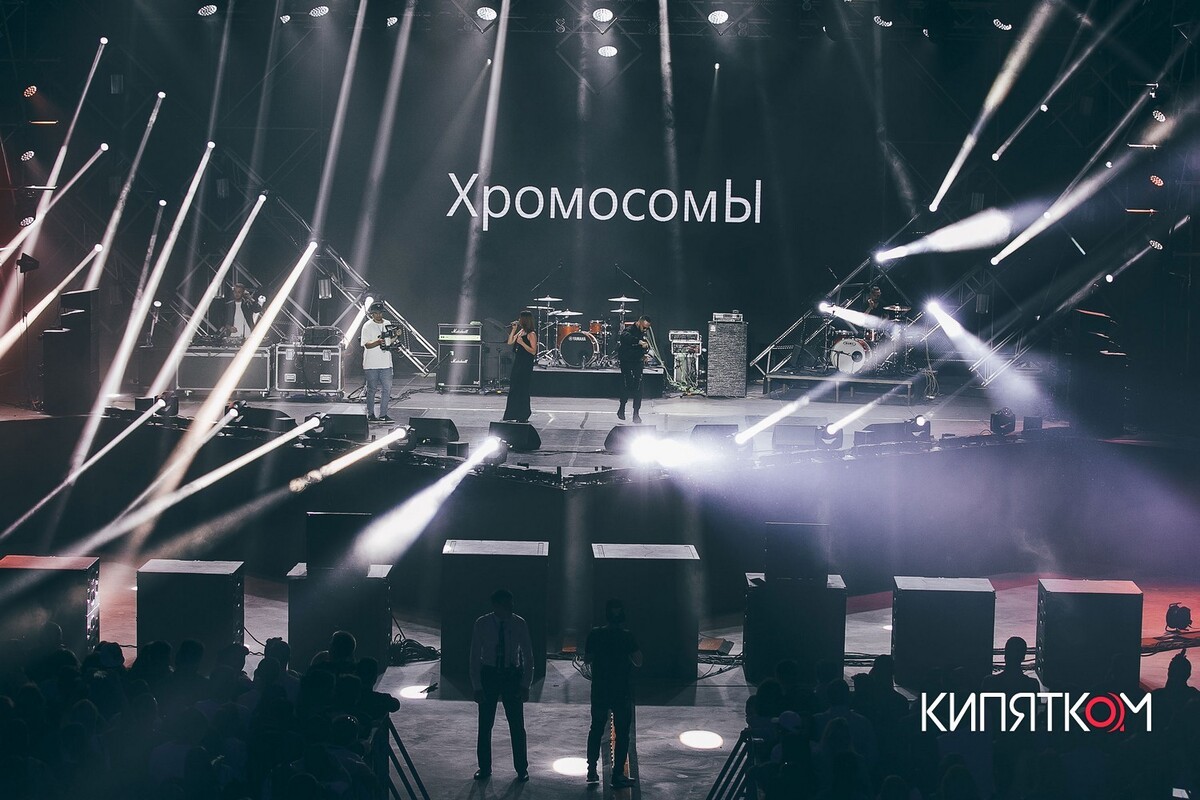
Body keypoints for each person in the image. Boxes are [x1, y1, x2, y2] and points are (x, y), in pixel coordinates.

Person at [469, 589, 534, 782]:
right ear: (496, 606)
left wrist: (525, 684)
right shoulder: (482, 623)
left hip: (510, 676)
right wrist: (477, 686)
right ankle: (484, 767)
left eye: (511, 604)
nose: (510, 608)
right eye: (506, 605)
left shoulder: (519, 623)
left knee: (517, 725)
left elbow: (528, 655)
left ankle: (521, 768)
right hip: (489, 675)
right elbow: (474, 656)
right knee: (485, 724)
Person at [584, 599, 642, 788]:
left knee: (596, 729)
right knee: (622, 734)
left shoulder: (595, 634)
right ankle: (617, 775)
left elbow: (587, 659)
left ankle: (592, 771)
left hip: (600, 689)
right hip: (621, 691)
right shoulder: (627, 636)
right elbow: (639, 661)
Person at [359, 302, 393, 423]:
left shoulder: (387, 323)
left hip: (386, 363)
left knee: (387, 389)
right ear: (372, 314)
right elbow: (366, 344)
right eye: (376, 313)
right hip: (371, 363)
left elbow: (390, 341)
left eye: (380, 313)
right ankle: (371, 414)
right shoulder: (367, 326)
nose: (378, 315)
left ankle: (383, 414)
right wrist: (378, 342)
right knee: (372, 389)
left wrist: (396, 336)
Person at [502, 311, 537, 423]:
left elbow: (533, 351)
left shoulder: (531, 334)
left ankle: (523, 414)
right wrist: (513, 330)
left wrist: (522, 343)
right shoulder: (521, 332)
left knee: (523, 389)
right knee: (514, 387)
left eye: (520, 318)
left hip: (526, 364)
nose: (518, 320)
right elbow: (510, 342)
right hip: (518, 362)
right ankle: (512, 414)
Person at [617, 315, 652, 424]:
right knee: (627, 384)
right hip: (627, 361)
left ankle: (636, 413)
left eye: (647, 328)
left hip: (637, 361)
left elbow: (644, 346)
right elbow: (624, 337)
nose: (645, 329)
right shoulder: (629, 330)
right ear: (639, 323)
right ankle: (622, 408)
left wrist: (644, 354)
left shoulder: (643, 333)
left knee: (639, 387)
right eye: (644, 327)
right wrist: (639, 342)